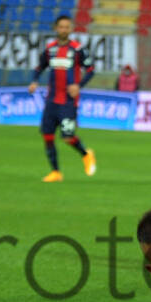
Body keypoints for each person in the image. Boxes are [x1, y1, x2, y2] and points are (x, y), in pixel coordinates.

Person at [28, 14, 96, 182]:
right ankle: (56, 172)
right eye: (61, 27)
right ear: (56, 28)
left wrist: (78, 86)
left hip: (68, 101)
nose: (64, 29)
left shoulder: (77, 49)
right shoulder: (50, 49)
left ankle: (86, 154)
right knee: (48, 136)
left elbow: (91, 69)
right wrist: (34, 81)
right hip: (51, 101)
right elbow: (39, 67)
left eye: (67, 27)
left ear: (71, 29)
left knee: (67, 137)